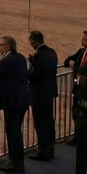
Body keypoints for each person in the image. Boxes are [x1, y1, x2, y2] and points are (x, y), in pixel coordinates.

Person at [0, 36, 30, 174]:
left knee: (12, 131)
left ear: (8, 46)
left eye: (1, 44)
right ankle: (17, 161)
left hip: (12, 101)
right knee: (16, 130)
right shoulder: (21, 58)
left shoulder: (6, 61)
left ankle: (15, 161)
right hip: (22, 99)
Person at [27, 31, 60, 161]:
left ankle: (43, 150)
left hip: (39, 94)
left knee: (40, 122)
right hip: (49, 92)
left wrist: (31, 67)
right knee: (49, 120)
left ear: (35, 41)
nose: (30, 43)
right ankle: (50, 148)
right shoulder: (52, 52)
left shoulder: (38, 55)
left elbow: (34, 75)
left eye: (30, 41)